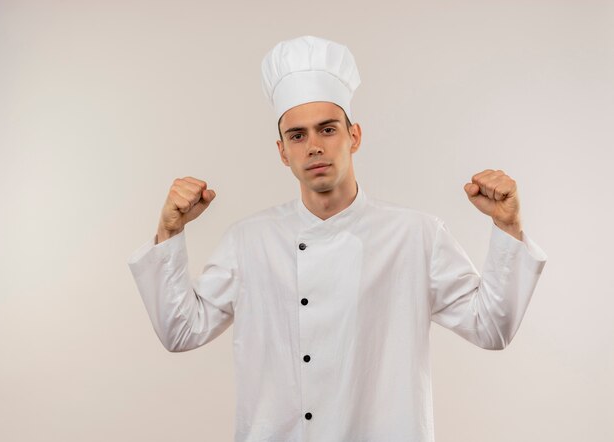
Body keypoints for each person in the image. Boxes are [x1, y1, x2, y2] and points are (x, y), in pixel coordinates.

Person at [128, 35, 547, 442]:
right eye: (298, 135)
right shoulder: (249, 241)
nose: (314, 147)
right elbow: (181, 332)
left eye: (327, 129)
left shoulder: (415, 235)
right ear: (282, 151)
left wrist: (507, 227)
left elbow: (493, 329)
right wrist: (170, 231)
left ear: (354, 136)